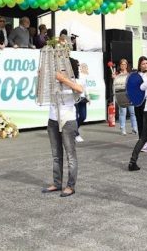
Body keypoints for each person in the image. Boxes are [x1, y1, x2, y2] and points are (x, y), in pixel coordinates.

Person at [42, 64, 84, 198]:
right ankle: (57, 183)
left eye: (64, 69)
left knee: (70, 156)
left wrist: (63, 79)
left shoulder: (75, 81)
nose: (60, 71)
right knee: (56, 155)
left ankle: (70, 186)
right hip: (53, 120)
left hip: (68, 121)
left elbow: (80, 90)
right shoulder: (52, 81)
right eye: (59, 69)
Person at [115, 59, 137, 136]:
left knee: (132, 112)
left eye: (125, 64)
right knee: (122, 112)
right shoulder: (116, 74)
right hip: (121, 95)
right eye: (122, 64)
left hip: (130, 95)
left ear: (127, 65)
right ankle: (122, 129)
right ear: (120, 65)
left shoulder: (130, 74)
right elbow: (115, 85)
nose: (123, 66)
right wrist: (114, 78)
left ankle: (134, 128)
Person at [75, 61, 90, 143]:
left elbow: (85, 86)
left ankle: (74, 130)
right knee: (74, 117)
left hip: (82, 98)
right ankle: (76, 134)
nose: (78, 67)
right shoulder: (71, 76)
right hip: (74, 98)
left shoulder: (82, 76)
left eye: (78, 66)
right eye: (76, 66)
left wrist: (88, 96)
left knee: (83, 116)